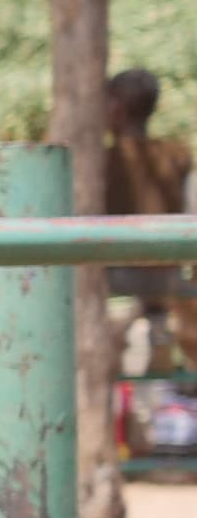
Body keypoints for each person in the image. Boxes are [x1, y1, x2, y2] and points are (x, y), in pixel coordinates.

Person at [104, 67, 192, 375]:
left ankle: (123, 335)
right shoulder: (178, 154)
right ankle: (155, 334)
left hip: (115, 277)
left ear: (117, 108)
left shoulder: (102, 161)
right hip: (167, 278)